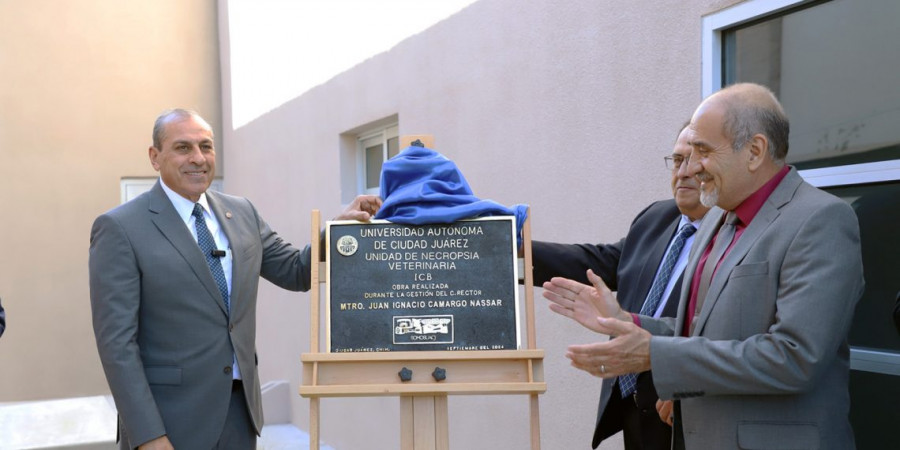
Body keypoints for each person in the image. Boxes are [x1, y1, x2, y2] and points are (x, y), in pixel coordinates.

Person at [543, 83, 864, 449]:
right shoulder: (717, 219)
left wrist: (654, 354)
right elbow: (702, 331)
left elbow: (794, 357)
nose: (693, 168)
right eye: (687, 154)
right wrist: (630, 322)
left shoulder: (820, 220)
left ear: (755, 151)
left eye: (704, 151)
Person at [89, 109, 381, 450]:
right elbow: (116, 345)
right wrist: (148, 435)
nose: (198, 158)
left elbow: (296, 270)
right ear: (155, 157)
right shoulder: (120, 228)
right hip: (168, 422)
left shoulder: (241, 212)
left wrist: (337, 231)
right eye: (183, 148)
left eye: (206, 147)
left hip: (239, 417)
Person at [531, 125, 709, 449]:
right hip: (633, 404)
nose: (683, 172)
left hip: (685, 405)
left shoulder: (737, 236)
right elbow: (602, 261)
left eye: (696, 161)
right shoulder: (658, 216)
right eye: (678, 159)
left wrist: (627, 321)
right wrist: (510, 247)